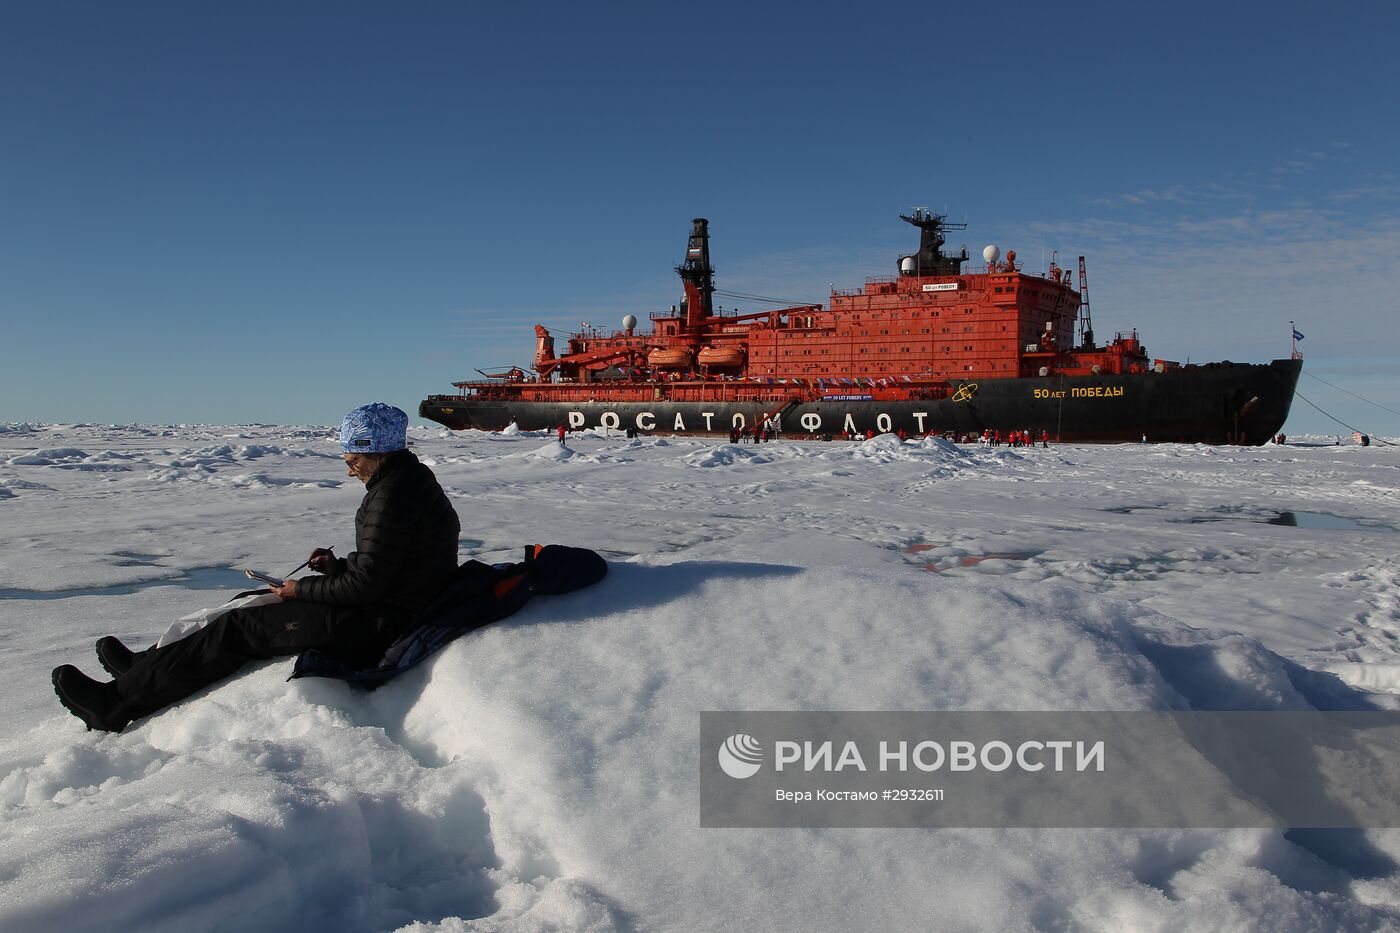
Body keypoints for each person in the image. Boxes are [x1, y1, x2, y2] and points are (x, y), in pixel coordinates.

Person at [52, 403, 462, 733]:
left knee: (241, 628)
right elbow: (389, 564)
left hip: (383, 623)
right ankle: (144, 666)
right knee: (249, 602)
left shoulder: (394, 494)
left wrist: (299, 591)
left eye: (353, 458)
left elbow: (369, 586)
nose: (348, 466)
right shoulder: (404, 480)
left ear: (378, 451)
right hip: (390, 605)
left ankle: (114, 706)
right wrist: (336, 567)